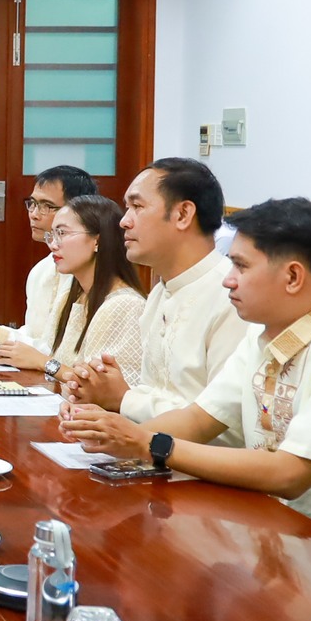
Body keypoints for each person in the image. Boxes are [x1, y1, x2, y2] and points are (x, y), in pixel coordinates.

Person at [62, 197, 311, 598]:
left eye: (241, 266)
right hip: (308, 552)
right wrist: (109, 435)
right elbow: (199, 420)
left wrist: (149, 443)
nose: (228, 279)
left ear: (293, 276)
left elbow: (290, 473)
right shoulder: (268, 333)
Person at [65, 157, 248, 443]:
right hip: (151, 454)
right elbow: (152, 393)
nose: (124, 221)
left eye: (137, 207)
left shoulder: (233, 296)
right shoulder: (162, 291)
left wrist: (122, 400)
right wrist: (95, 403)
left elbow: (228, 427)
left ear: (183, 214)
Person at [0, 195, 146, 385]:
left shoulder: (126, 305)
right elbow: (49, 353)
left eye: (62, 233)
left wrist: (44, 363)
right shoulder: (71, 296)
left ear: (97, 241)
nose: (53, 245)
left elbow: (104, 389)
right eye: (52, 235)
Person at [0, 165, 97, 352]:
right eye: (32, 203)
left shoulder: (88, 272)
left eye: (47, 206)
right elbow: (34, 335)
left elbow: (60, 352)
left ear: (79, 211)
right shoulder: (41, 269)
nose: (34, 214)